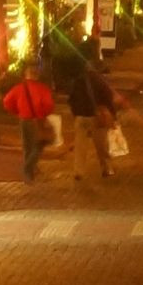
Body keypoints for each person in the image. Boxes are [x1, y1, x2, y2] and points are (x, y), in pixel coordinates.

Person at [55, 46, 119, 186]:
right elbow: (108, 99)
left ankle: (79, 171)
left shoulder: (78, 81)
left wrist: (76, 113)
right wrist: (113, 116)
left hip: (81, 117)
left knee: (80, 146)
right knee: (101, 145)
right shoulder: (101, 82)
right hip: (97, 117)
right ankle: (106, 168)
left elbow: (71, 99)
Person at [0, 60, 55, 185]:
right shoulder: (42, 89)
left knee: (27, 147)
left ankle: (29, 174)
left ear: (26, 74)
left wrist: (17, 111)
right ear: (37, 75)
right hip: (37, 120)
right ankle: (27, 169)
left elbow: (7, 101)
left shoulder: (19, 88)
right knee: (39, 146)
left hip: (24, 120)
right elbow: (49, 105)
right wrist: (43, 114)